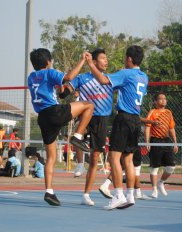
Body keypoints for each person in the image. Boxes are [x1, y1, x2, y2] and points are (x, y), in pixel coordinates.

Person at [28, 48, 94, 206]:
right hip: (54, 112)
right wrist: (83, 60)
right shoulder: (49, 72)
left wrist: (62, 89)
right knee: (89, 106)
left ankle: (49, 191)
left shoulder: (31, 77)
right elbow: (69, 77)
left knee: (51, 157)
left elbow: (55, 89)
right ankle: (78, 137)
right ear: (48, 62)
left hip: (42, 117)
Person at [86, 45, 149, 210]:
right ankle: (130, 195)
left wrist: (90, 64)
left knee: (114, 158)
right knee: (127, 159)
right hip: (136, 120)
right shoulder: (143, 77)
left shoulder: (126, 73)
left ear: (129, 59)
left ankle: (118, 195)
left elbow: (103, 80)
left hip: (124, 119)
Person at [59, 48, 113, 206]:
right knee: (77, 133)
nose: (106, 61)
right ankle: (80, 164)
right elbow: (65, 91)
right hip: (85, 116)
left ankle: (86, 194)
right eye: (103, 58)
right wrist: (63, 89)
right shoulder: (82, 78)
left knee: (96, 158)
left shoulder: (109, 79)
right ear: (94, 62)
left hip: (101, 119)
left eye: (106, 58)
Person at [145, 92, 178, 198]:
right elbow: (147, 127)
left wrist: (175, 143)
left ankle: (161, 182)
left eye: (165, 98)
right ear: (155, 101)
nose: (163, 100)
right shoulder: (152, 112)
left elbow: (171, 128)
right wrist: (147, 142)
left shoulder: (169, 112)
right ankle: (154, 189)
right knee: (155, 167)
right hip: (155, 141)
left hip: (167, 141)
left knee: (171, 167)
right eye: (160, 98)